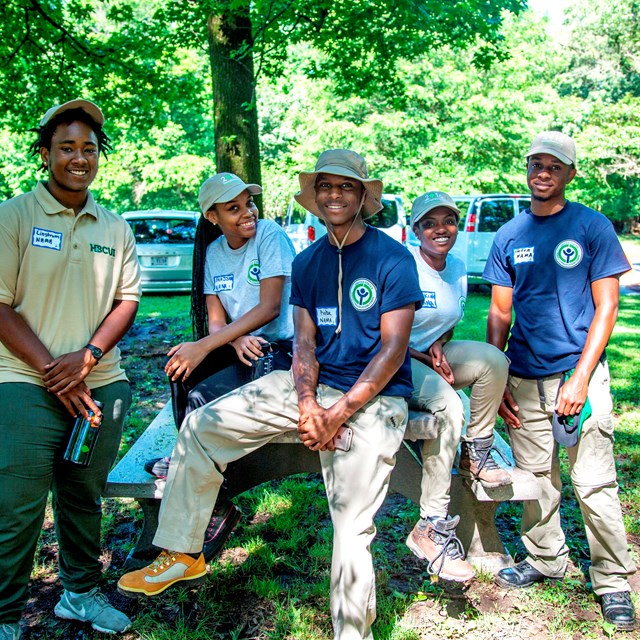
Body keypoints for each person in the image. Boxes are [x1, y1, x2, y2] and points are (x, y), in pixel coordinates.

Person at [117, 149, 423, 640]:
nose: (334, 195)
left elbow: (391, 351)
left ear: (365, 196)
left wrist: (338, 412)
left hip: (375, 398)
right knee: (200, 426)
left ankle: (352, 633)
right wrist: (307, 404)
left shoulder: (392, 258)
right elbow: (303, 342)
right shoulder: (307, 262)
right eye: (325, 186)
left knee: (350, 528)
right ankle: (184, 550)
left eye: (346, 186)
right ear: (315, 198)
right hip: (308, 386)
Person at [483, 131, 636, 631]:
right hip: (523, 378)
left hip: (579, 377)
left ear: (570, 173)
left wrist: (581, 378)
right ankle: (547, 557)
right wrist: (498, 372)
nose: (542, 173)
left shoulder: (592, 227)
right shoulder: (509, 235)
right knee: (536, 479)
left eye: (553, 166)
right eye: (535, 164)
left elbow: (607, 306)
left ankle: (613, 579)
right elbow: (500, 313)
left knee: (593, 482)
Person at [0, 99, 141, 640]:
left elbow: (127, 302)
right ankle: (5, 615)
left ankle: (79, 595)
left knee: (83, 494)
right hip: (21, 381)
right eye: (66, 148)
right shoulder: (15, 217)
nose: (79, 158)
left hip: (99, 385)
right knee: (18, 504)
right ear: (45, 154)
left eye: (88, 148)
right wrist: (53, 371)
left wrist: (88, 358)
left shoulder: (115, 227)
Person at [146, 173, 297, 559]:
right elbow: (216, 320)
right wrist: (230, 339)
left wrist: (211, 344)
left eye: (248, 203)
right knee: (180, 366)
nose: (247, 212)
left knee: (203, 397)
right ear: (212, 217)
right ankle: (188, 459)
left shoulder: (269, 235)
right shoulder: (213, 252)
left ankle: (216, 502)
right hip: (242, 343)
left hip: (282, 348)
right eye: (234, 208)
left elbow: (270, 307)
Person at [404, 190, 511, 583]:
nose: (440, 229)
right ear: (416, 230)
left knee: (493, 360)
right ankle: (430, 525)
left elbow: (448, 318)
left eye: (447, 221)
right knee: (449, 403)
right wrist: (424, 357)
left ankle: (478, 451)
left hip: (431, 353)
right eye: (429, 223)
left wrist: (438, 345)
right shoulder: (404, 264)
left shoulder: (459, 266)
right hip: (396, 361)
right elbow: (385, 334)